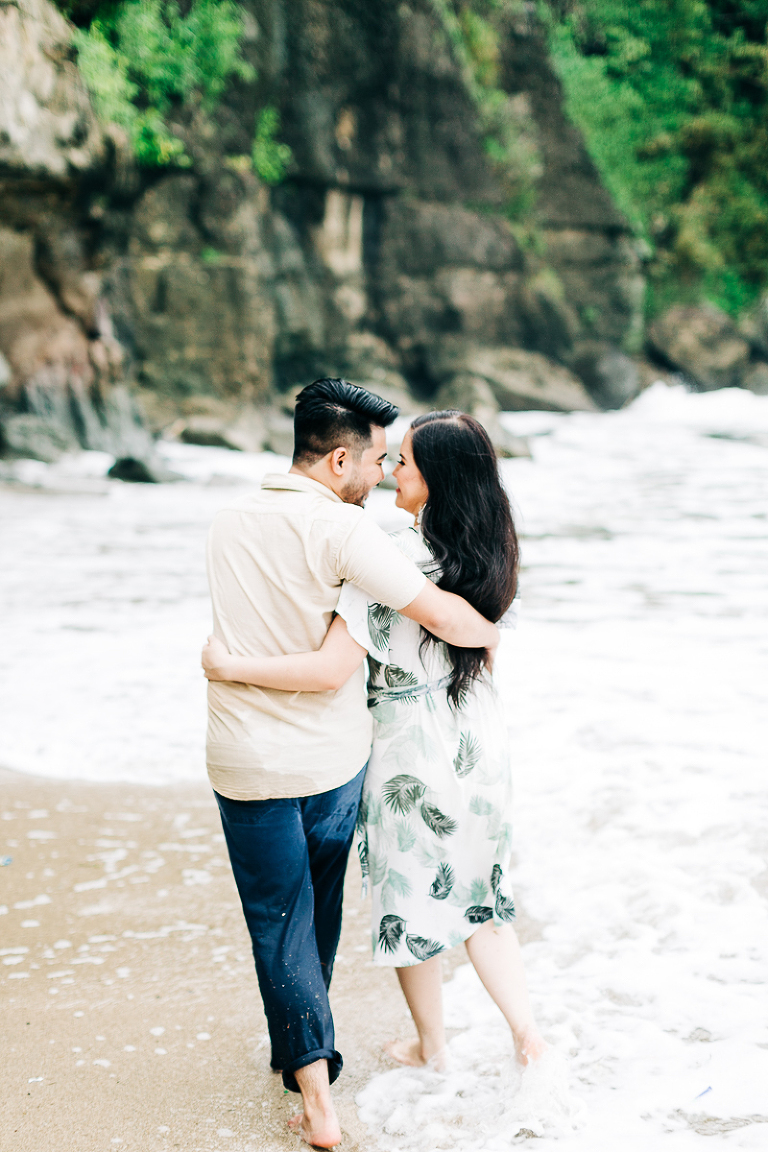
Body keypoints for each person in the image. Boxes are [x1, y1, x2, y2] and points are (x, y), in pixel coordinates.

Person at [203, 410, 547, 1093]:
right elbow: (477, 639)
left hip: (409, 745)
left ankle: (433, 1045)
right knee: (484, 895)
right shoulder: (487, 554)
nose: (391, 471)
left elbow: (331, 670)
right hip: (478, 737)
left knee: (407, 897)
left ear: (437, 480)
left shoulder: (389, 559)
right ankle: (528, 1037)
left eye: (407, 463)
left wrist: (228, 665)